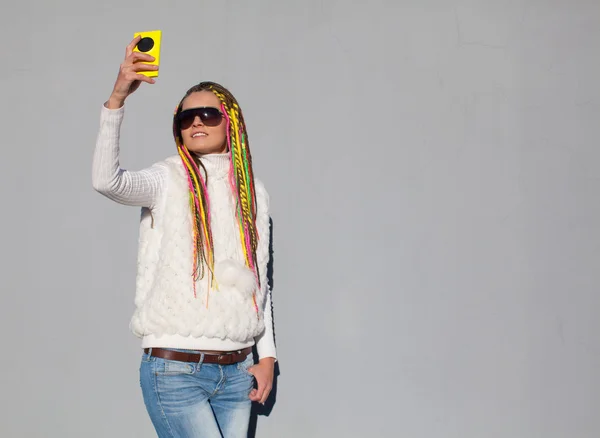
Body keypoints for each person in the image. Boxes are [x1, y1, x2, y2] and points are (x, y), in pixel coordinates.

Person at [92, 35, 276, 438]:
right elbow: (107, 181)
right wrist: (118, 98)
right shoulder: (167, 178)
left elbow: (260, 280)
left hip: (238, 373)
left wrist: (267, 357)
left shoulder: (252, 191)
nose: (196, 122)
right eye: (186, 117)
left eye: (209, 114)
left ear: (230, 121)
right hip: (175, 370)